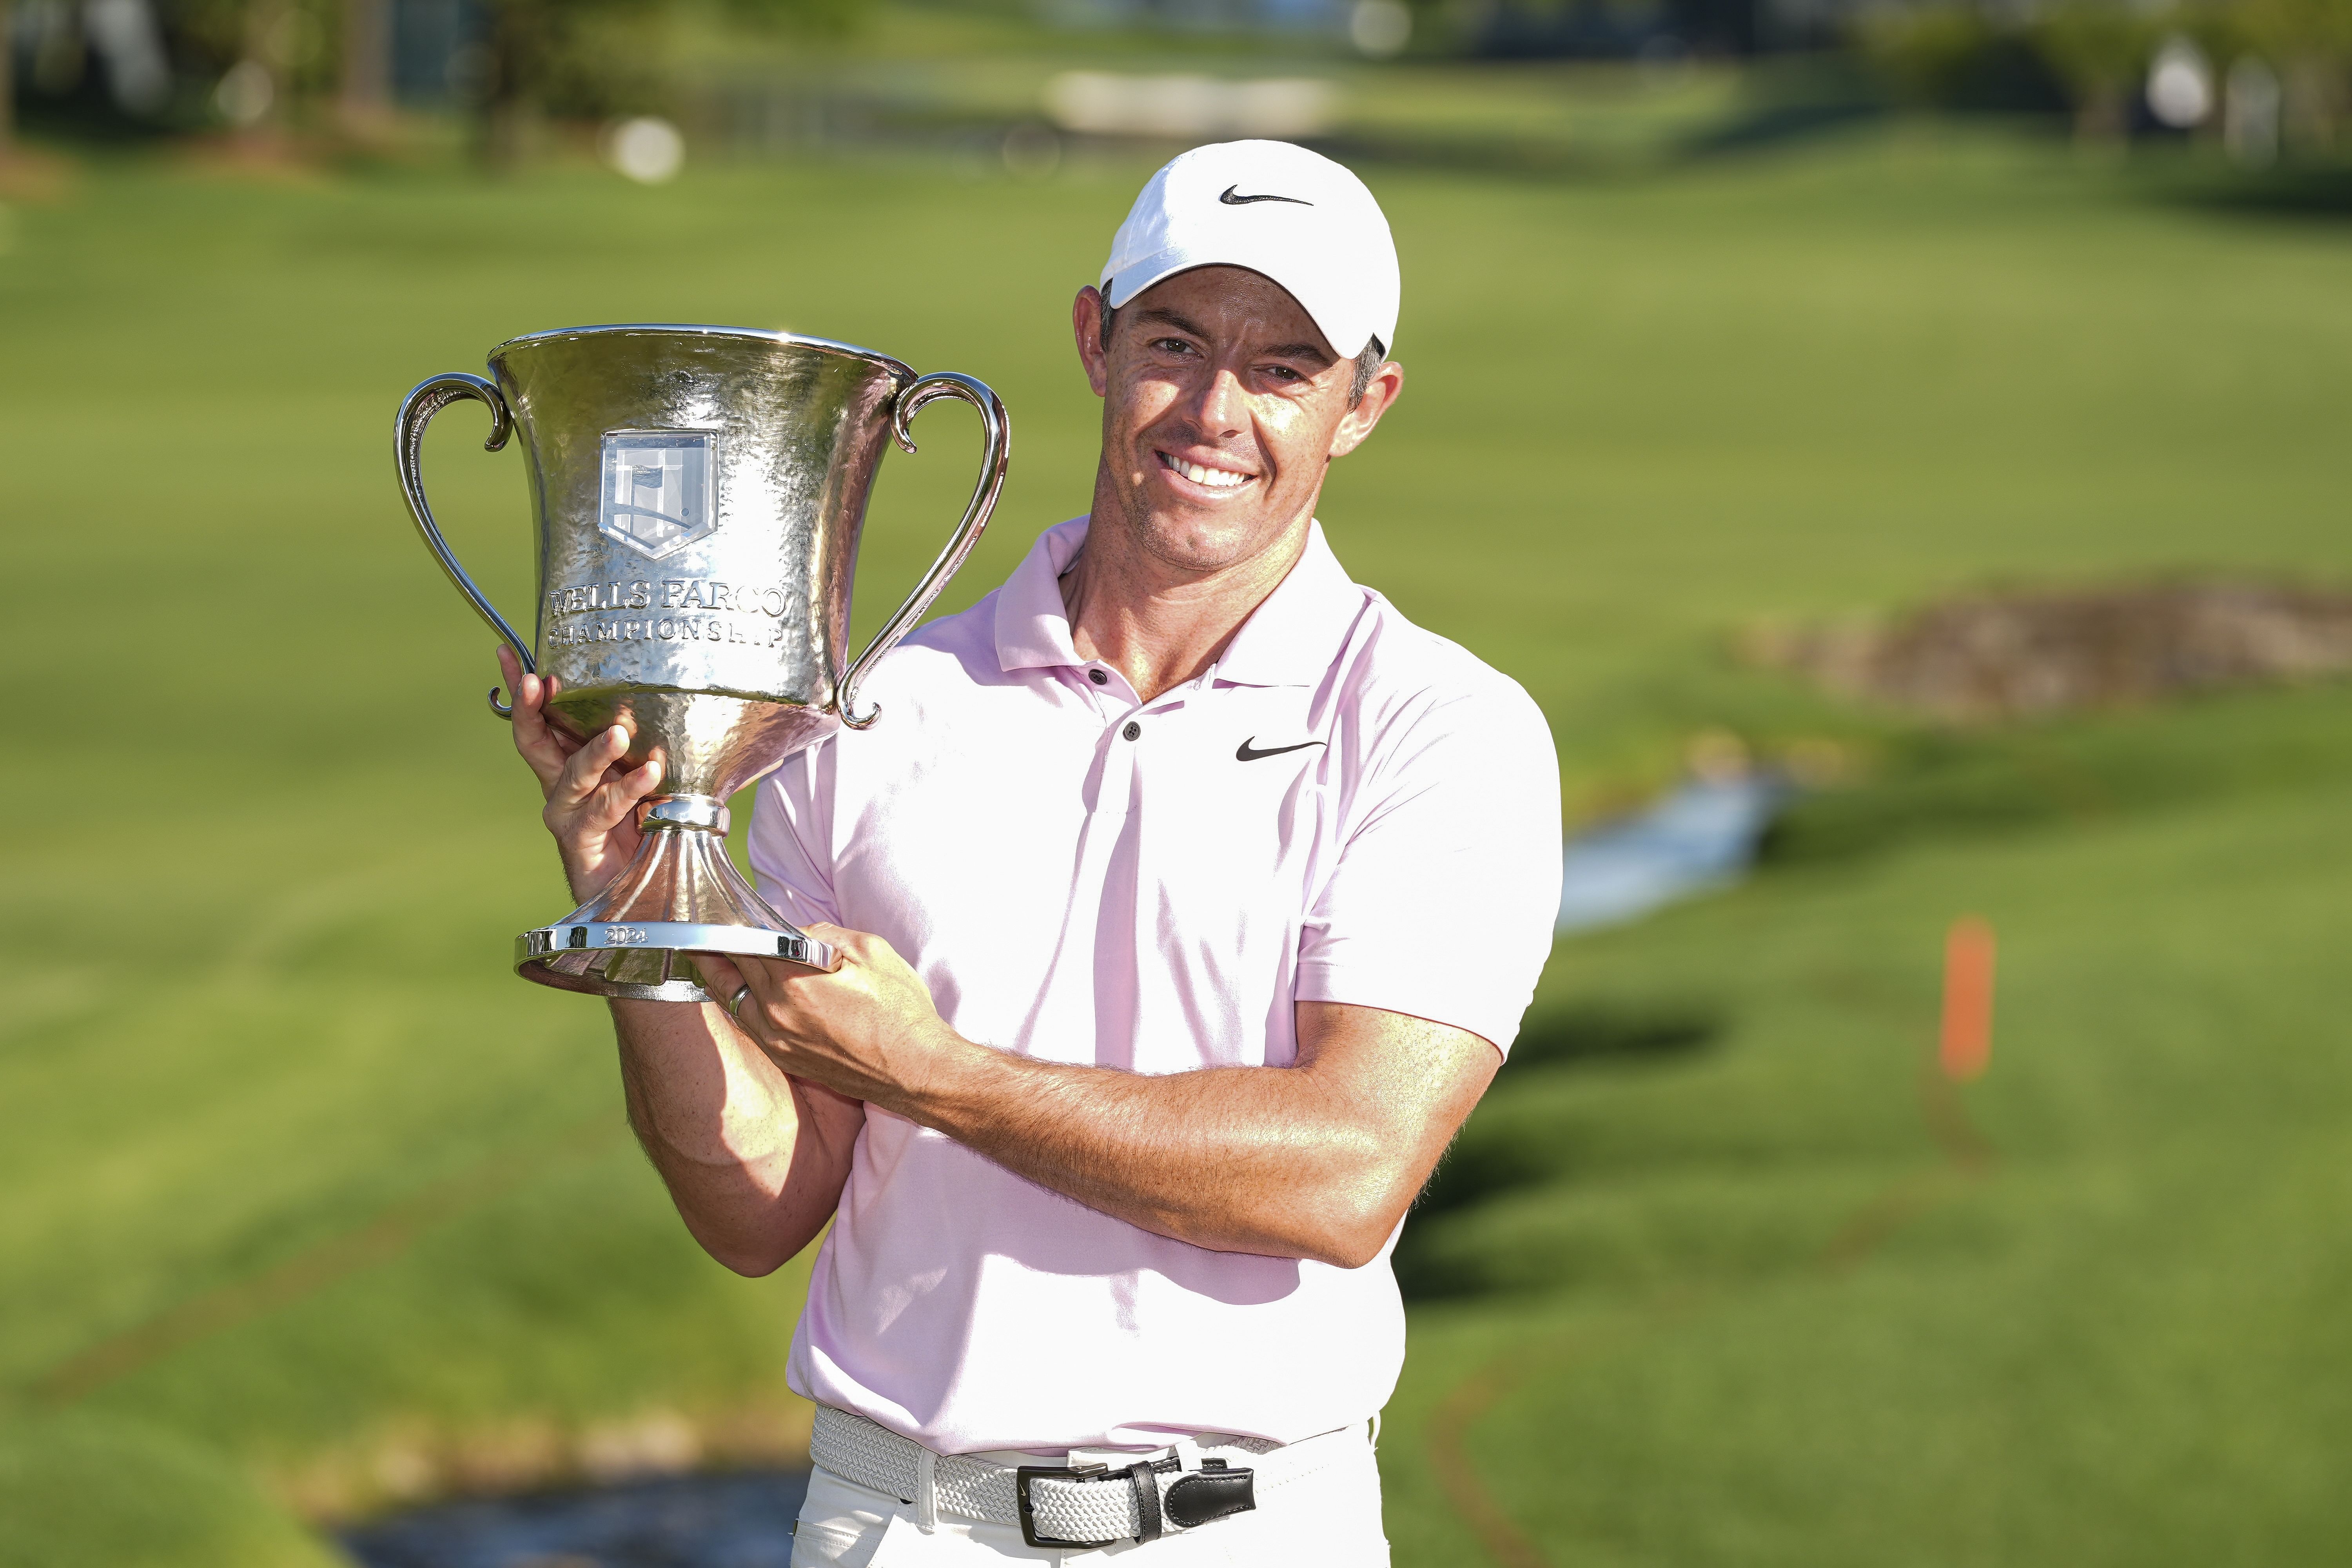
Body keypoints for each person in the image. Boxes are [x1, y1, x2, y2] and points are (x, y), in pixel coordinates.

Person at [496, 140, 1562, 1564]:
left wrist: (933, 1071)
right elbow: (760, 1209)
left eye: (1284, 367)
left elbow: (1346, 1172)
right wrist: (646, 923)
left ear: (1363, 406)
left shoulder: (1445, 729)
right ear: (1094, 341)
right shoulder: (870, 711)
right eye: (1176, 342)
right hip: (894, 1524)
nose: (1216, 410)